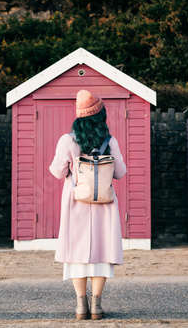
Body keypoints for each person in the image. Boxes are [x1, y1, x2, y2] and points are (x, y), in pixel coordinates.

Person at [49, 89, 127, 320]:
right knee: (102, 253)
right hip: (104, 203)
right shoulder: (109, 141)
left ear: (79, 116)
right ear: (100, 115)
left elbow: (56, 172)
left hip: (76, 203)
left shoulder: (68, 140)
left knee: (77, 254)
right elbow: (120, 173)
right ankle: (97, 306)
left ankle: (81, 306)